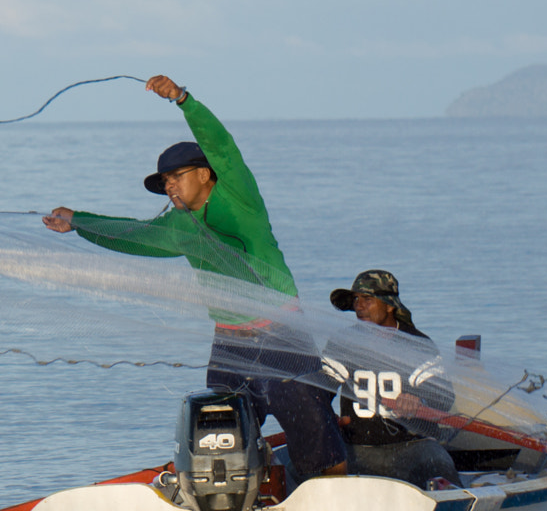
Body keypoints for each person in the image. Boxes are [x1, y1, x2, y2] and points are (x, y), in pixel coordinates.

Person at [43, 75, 345, 485]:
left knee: (317, 441)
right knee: (220, 435)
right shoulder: (180, 227)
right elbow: (134, 235)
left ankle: (337, 495)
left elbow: (222, 146)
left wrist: (183, 100)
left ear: (205, 174)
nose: (168, 187)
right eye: (164, 183)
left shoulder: (237, 195)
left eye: (175, 177)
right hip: (230, 341)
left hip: (282, 334)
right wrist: (79, 221)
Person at [321, 270, 460, 489]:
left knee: (440, 466)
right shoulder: (343, 343)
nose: (359, 306)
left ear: (389, 305)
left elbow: (443, 398)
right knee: (300, 468)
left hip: (411, 447)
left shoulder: (416, 344)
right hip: (356, 448)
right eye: (356, 299)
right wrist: (325, 417)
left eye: (367, 299)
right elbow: (320, 389)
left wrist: (417, 403)